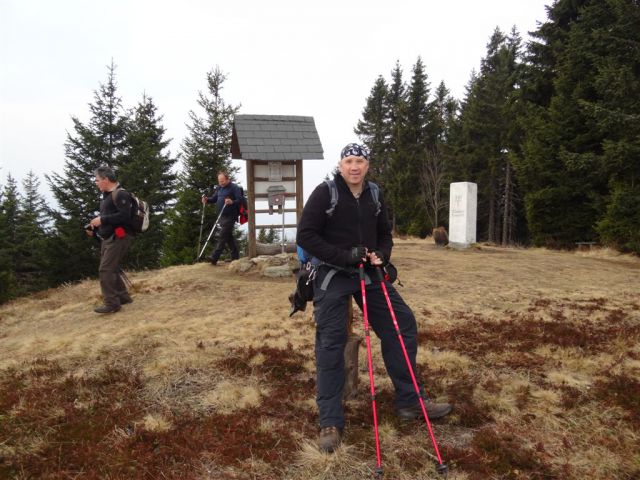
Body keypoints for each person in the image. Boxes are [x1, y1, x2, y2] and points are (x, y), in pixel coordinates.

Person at [296, 143, 452, 453]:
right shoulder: (325, 193)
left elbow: (384, 234)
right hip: (332, 274)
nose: (354, 167)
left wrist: (382, 254)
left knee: (402, 323)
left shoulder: (375, 195)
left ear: (368, 165)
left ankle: (410, 401)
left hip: (366, 273)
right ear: (341, 164)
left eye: (360, 161)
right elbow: (306, 236)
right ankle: (330, 421)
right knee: (331, 340)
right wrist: (343, 256)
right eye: (349, 161)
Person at [86, 166, 134, 314]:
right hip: (109, 237)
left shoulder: (121, 194)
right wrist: (95, 228)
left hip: (119, 237)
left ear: (106, 180)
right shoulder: (107, 196)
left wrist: (102, 219)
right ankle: (123, 297)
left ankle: (112, 304)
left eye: (97, 180)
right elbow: (109, 219)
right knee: (111, 268)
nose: (96, 183)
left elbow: (125, 216)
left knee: (105, 269)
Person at [201, 171, 241, 265]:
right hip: (221, 215)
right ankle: (235, 257)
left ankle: (214, 257)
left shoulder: (234, 187)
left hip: (231, 215)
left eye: (222, 181)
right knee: (228, 236)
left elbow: (240, 199)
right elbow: (214, 199)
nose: (221, 183)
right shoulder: (219, 188)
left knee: (222, 236)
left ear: (228, 179)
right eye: (219, 181)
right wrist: (207, 200)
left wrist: (232, 201)